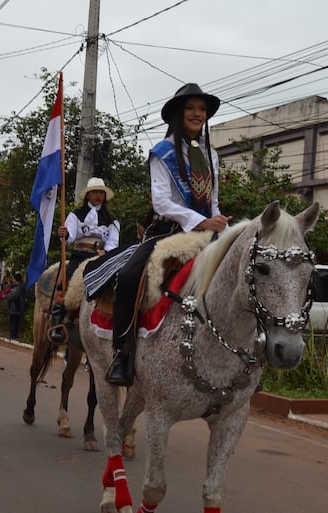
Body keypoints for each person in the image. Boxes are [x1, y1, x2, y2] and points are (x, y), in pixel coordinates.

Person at [105, 83, 232, 386]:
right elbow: (162, 201)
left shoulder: (210, 155)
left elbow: (212, 200)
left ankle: (242, 355)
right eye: (191, 108)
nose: (197, 114)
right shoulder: (162, 153)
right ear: (178, 113)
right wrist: (201, 222)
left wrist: (221, 224)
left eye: (202, 109)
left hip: (206, 229)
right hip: (167, 230)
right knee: (129, 278)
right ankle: (122, 353)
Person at [48, 177, 120, 343]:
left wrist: (107, 252)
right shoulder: (76, 215)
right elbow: (70, 236)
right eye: (94, 192)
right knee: (68, 281)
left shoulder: (112, 220)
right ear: (88, 195)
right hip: (80, 256)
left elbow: (113, 242)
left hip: (101, 258)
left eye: (100, 193)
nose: (98, 195)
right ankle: (58, 322)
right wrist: (64, 234)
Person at [2, 273, 26, 340]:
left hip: (16, 308)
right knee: (12, 322)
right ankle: (12, 335)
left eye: (13, 279)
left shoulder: (19, 287)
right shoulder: (16, 287)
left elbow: (13, 295)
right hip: (14, 308)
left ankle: (14, 336)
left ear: (16, 279)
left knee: (14, 322)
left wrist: (6, 296)